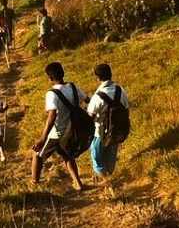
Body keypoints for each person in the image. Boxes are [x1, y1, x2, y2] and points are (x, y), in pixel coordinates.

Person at [31, 62, 86, 191]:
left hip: (58, 132)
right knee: (67, 156)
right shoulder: (73, 87)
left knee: (37, 154)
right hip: (73, 129)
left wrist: (43, 138)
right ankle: (78, 183)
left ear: (49, 78)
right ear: (63, 73)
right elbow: (87, 100)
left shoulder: (52, 93)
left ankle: (34, 183)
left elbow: (52, 116)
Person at [86, 63, 129, 181]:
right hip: (117, 129)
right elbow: (126, 109)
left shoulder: (98, 96)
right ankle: (109, 174)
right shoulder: (121, 90)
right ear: (111, 73)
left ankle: (105, 180)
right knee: (111, 154)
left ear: (97, 77)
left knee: (97, 157)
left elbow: (90, 116)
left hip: (100, 132)